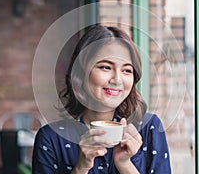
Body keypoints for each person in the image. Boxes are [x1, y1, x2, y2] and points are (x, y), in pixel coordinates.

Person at [32, 25, 171, 173]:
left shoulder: (150, 127)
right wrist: (81, 167)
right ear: (81, 72)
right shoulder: (51, 138)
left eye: (126, 70)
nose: (117, 79)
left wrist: (124, 164)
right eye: (105, 67)